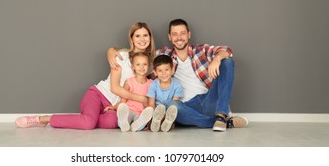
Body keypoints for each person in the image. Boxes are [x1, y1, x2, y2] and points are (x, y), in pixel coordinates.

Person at [107, 19, 248, 132]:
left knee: (227, 62)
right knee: (172, 106)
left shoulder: (200, 50)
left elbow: (226, 50)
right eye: (174, 34)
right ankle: (224, 121)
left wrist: (217, 59)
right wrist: (112, 50)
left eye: (182, 33)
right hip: (184, 106)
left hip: (208, 99)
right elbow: (141, 55)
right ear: (169, 37)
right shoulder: (164, 54)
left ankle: (221, 114)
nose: (179, 37)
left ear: (189, 34)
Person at [15, 22, 156, 130]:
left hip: (116, 105)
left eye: (145, 35)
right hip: (99, 95)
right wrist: (142, 99)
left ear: (150, 38)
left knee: (113, 122)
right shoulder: (121, 56)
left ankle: (87, 117)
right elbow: (114, 88)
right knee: (88, 123)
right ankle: (43, 119)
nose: (142, 39)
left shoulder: (150, 64)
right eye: (137, 35)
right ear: (132, 38)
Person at [105, 52, 154, 132]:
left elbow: (151, 102)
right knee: (125, 116)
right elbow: (123, 100)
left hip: (141, 113)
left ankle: (136, 126)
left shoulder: (152, 84)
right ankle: (123, 123)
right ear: (133, 67)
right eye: (138, 64)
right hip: (129, 110)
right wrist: (113, 107)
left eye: (144, 64)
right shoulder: (129, 82)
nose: (141, 67)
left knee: (141, 120)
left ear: (148, 67)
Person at [147, 54, 183, 132]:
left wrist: (167, 115)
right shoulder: (153, 85)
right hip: (157, 111)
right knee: (157, 110)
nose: (164, 73)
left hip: (169, 112)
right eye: (160, 71)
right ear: (155, 72)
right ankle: (156, 121)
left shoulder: (177, 85)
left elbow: (174, 104)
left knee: (174, 108)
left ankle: (167, 122)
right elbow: (151, 104)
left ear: (172, 70)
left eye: (166, 70)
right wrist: (152, 115)